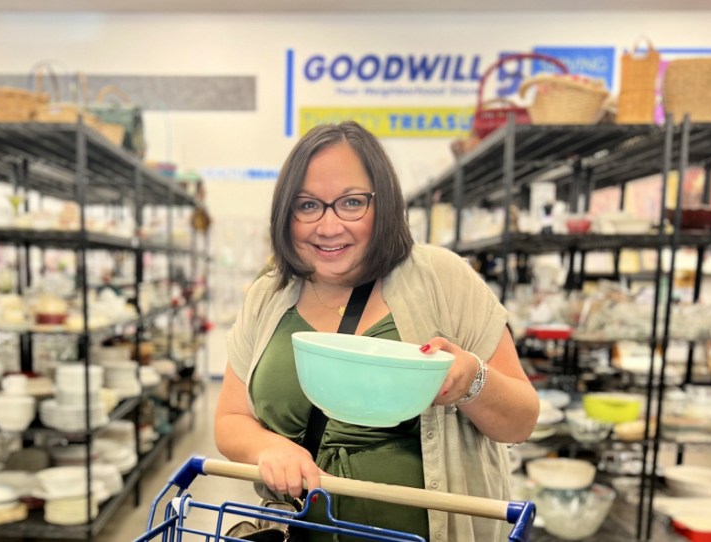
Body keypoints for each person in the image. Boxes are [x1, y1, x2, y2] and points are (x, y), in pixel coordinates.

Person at [215, 121, 539, 541]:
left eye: (351, 203)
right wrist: (268, 448)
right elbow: (230, 418)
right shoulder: (267, 296)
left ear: (382, 204)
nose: (329, 227)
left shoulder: (443, 279)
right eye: (308, 205)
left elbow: (521, 422)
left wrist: (471, 380)